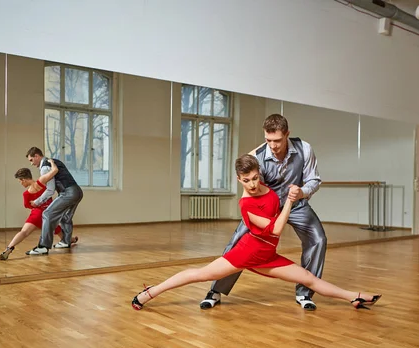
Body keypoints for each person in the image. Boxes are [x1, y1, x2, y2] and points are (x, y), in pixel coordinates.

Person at [132, 154, 381, 311]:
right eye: (245, 180)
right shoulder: (246, 204)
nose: (251, 184)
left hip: (267, 256)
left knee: (307, 278)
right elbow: (277, 228)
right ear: (238, 180)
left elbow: (257, 153)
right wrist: (289, 203)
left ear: (258, 174)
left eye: (254, 178)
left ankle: (354, 297)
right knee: (198, 275)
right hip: (247, 253)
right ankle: (149, 293)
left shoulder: (264, 187)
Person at [200, 114, 326, 311]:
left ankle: (305, 293)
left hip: (296, 204)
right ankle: (215, 290)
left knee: (318, 239)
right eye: (268, 140)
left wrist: (301, 192)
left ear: (287, 135)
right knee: (237, 241)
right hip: (266, 207)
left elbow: (314, 180)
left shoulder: (305, 149)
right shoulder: (256, 155)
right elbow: (247, 184)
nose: (273, 145)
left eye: (277, 140)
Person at [0, 160, 77, 260]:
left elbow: (28, 206)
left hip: (36, 215)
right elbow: (54, 171)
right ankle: (72, 240)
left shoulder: (26, 194)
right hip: (49, 215)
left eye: (20, 181)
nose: (20, 183)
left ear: (23, 179)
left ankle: (8, 249)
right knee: (62, 235)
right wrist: (52, 163)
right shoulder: (42, 182)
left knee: (24, 232)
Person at [24, 147, 83, 255]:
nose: (31, 164)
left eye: (31, 160)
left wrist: (37, 202)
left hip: (68, 193)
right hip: (77, 191)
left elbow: (50, 190)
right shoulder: (53, 161)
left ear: (37, 156)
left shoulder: (45, 167)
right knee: (66, 217)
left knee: (47, 214)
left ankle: (43, 246)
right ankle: (65, 241)